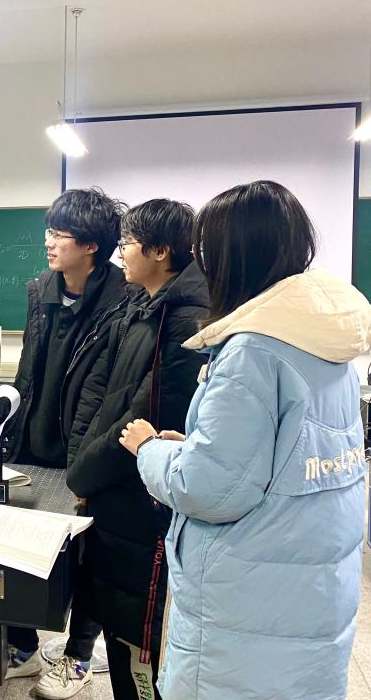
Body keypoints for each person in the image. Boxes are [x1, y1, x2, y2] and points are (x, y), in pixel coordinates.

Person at [122, 181, 370, 700]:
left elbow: (207, 489)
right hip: (308, 586)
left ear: (231, 256)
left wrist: (150, 449)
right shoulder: (328, 343)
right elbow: (281, 462)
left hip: (247, 606)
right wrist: (195, 446)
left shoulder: (252, 351)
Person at [65, 200, 208, 699]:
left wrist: (85, 475)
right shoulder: (138, 304)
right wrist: (81, 466)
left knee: (141, 644)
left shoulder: (186, 319)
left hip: (143, 503)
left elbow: (146, 418)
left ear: (161, 251)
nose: (120, 252)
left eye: (128, 243)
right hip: (113, 495)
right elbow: (100, 393)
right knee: (119, 629)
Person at [5, 187, 127, 695]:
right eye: (48, 232)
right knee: (18, 550)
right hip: (34, 447)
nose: (48, 242)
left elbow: (113, 391)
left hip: (86, 452)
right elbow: (27, 368)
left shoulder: (124, 300)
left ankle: (78, 656)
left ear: (92, 246)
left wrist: (88, 462)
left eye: (60, 234)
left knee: (88, 561)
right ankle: (24, 647)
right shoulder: (41, 290)